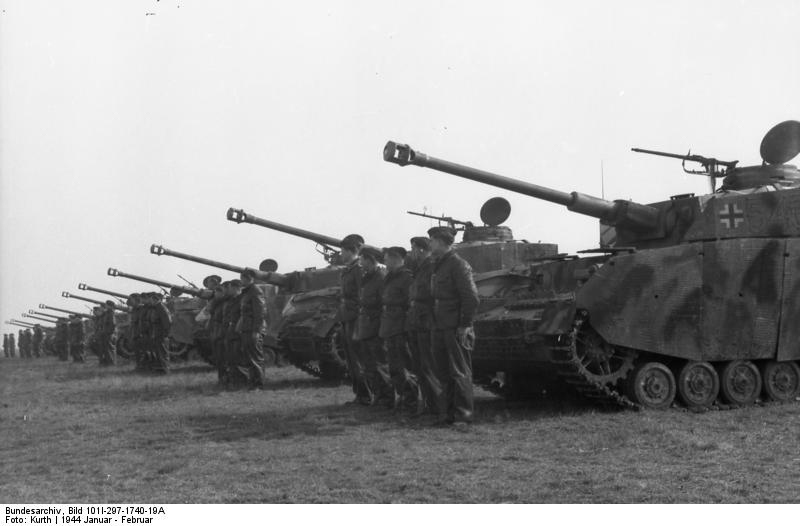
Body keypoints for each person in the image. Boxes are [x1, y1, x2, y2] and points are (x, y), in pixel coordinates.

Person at [428, 226, 480, 427]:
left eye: (431, 240)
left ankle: (463, 416)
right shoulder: (440, 264)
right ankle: (446, 415)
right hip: (440, 325)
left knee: (459, 371)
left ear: (441, 242)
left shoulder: (458, 265)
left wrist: (465, 325)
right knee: (443, 372)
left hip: (455, 326)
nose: (430, 244)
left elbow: (471, 298)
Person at [380, 245, 420, 413]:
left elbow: (410, 303)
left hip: (401, 327)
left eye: (387, 258)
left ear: (396, 258)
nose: (384, 261)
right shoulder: (390, 277)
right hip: (391, 326)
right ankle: (402, 398)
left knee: (405, 366)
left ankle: (411, 403)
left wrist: (406, 327)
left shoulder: (406, 278)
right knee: (395, 367)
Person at [407, 236, 438, 413]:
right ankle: (428, 404)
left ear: (420, 249)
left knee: (429, 366)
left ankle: (436, 406)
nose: (411, 252)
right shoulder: (420, 268)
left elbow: (431, 294)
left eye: (413, 248)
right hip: (417, 321)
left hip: (426, 322)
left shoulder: (431, 267)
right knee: (420, 366)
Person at [338, 234, 371, 404]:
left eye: (343, 251)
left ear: (352, 251)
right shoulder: (348, 269)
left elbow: (362, 294)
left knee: (359, 359)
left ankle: (366, 394)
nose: (341, 254)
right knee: (351, 360)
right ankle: (360, 393)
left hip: (355, 318)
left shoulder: (358, 269)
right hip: (347, 317)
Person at [356, 245, 390, 405]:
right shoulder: (367, 277)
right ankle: (378, 395)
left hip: (376, 327)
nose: (360, 262)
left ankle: (387, 397)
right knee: (369, 365)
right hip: (366, 326)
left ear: (369, 259)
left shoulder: (380, 277)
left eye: (362, 259)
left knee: (380, 364)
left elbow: (384, 304)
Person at [236, 269, 267, 389]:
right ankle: (252, 383)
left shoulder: (255, 291)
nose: (241, 281)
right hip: (246, 328)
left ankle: (258, 385)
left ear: (248, 279)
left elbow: (260, 313)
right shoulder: (247, 292)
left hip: (253, 329)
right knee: (249, 357)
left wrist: (256, 331)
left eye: (242, 279)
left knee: (256, 357)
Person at [222, 279, 243, 389]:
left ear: (236, 288)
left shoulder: (242, 299)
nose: (229, 290)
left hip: (237, 332)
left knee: (237, 358)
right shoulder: (232, 300)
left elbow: (242, 316)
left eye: (230, 287)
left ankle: (240, 382)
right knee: (231, 358)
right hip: (230, 331)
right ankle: (233, 381)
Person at [208, 284, 228, 386]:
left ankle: (225, 379)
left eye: (217, 292)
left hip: (222, 334)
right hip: (216, 333)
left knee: (224, 358)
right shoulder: (216, 303)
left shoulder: (225, 303)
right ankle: (221, 379)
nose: (215, 294)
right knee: (219, 359)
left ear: (222, 293)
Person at [148, 293, 172, 373]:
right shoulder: (157, 308)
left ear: (155, 299)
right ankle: (160, 369)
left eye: (151, 300)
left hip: (161, 333)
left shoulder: (161, 308)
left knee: (163, 352)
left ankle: (165, 369)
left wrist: (165, 333)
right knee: (158, 352)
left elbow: (167, 321)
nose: (150, 301)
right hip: (157, 332)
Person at [98, 301, 116, 366]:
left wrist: (109, 332)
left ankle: (111, 363)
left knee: (109, 349)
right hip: (105, 333)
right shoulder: (106, 314)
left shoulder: (111, 313)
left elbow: (112, 324)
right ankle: (107, 362)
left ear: (110, 306)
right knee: (106, 349)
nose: (106, 306)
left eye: (107, 305)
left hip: (108, 334)